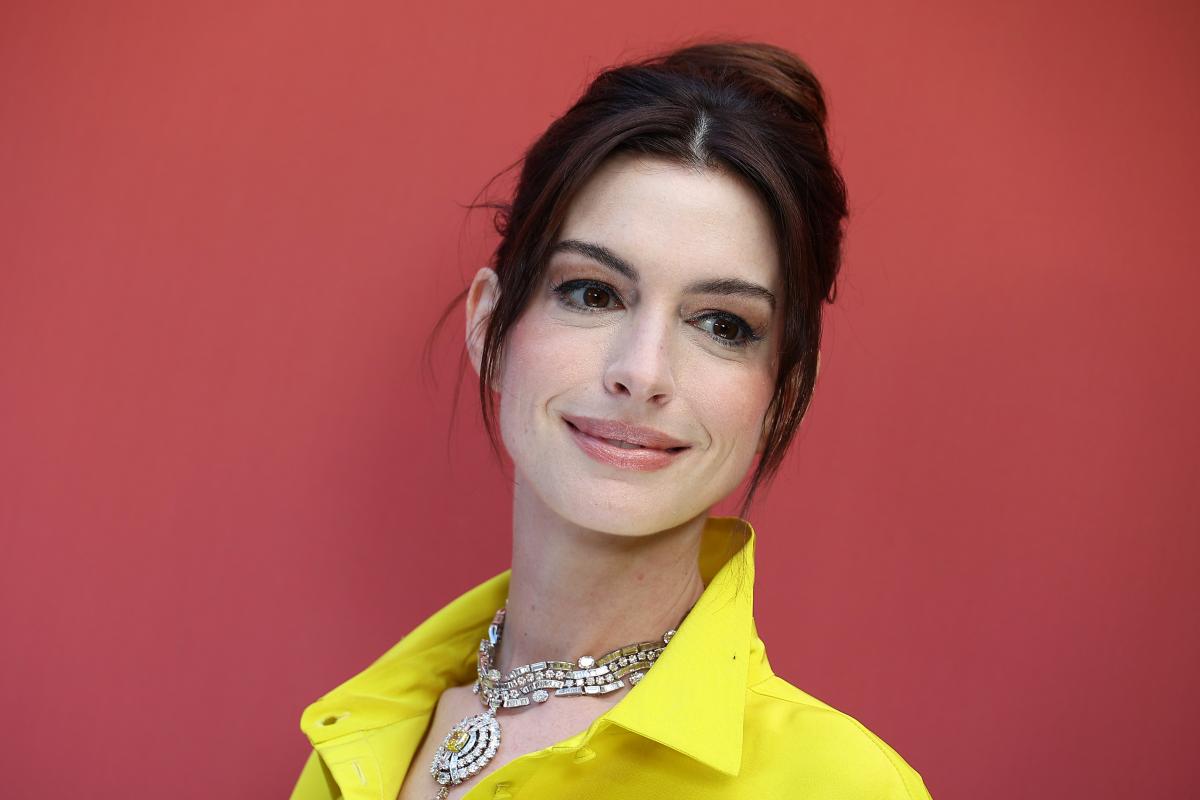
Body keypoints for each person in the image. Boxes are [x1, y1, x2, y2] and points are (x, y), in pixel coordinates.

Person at [289, 38, 933, 800]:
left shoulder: (839, 785)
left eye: (723, 324)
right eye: (594, 294)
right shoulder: (358, 742)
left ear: (786, 394)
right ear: (489, 325)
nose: (642, 371)